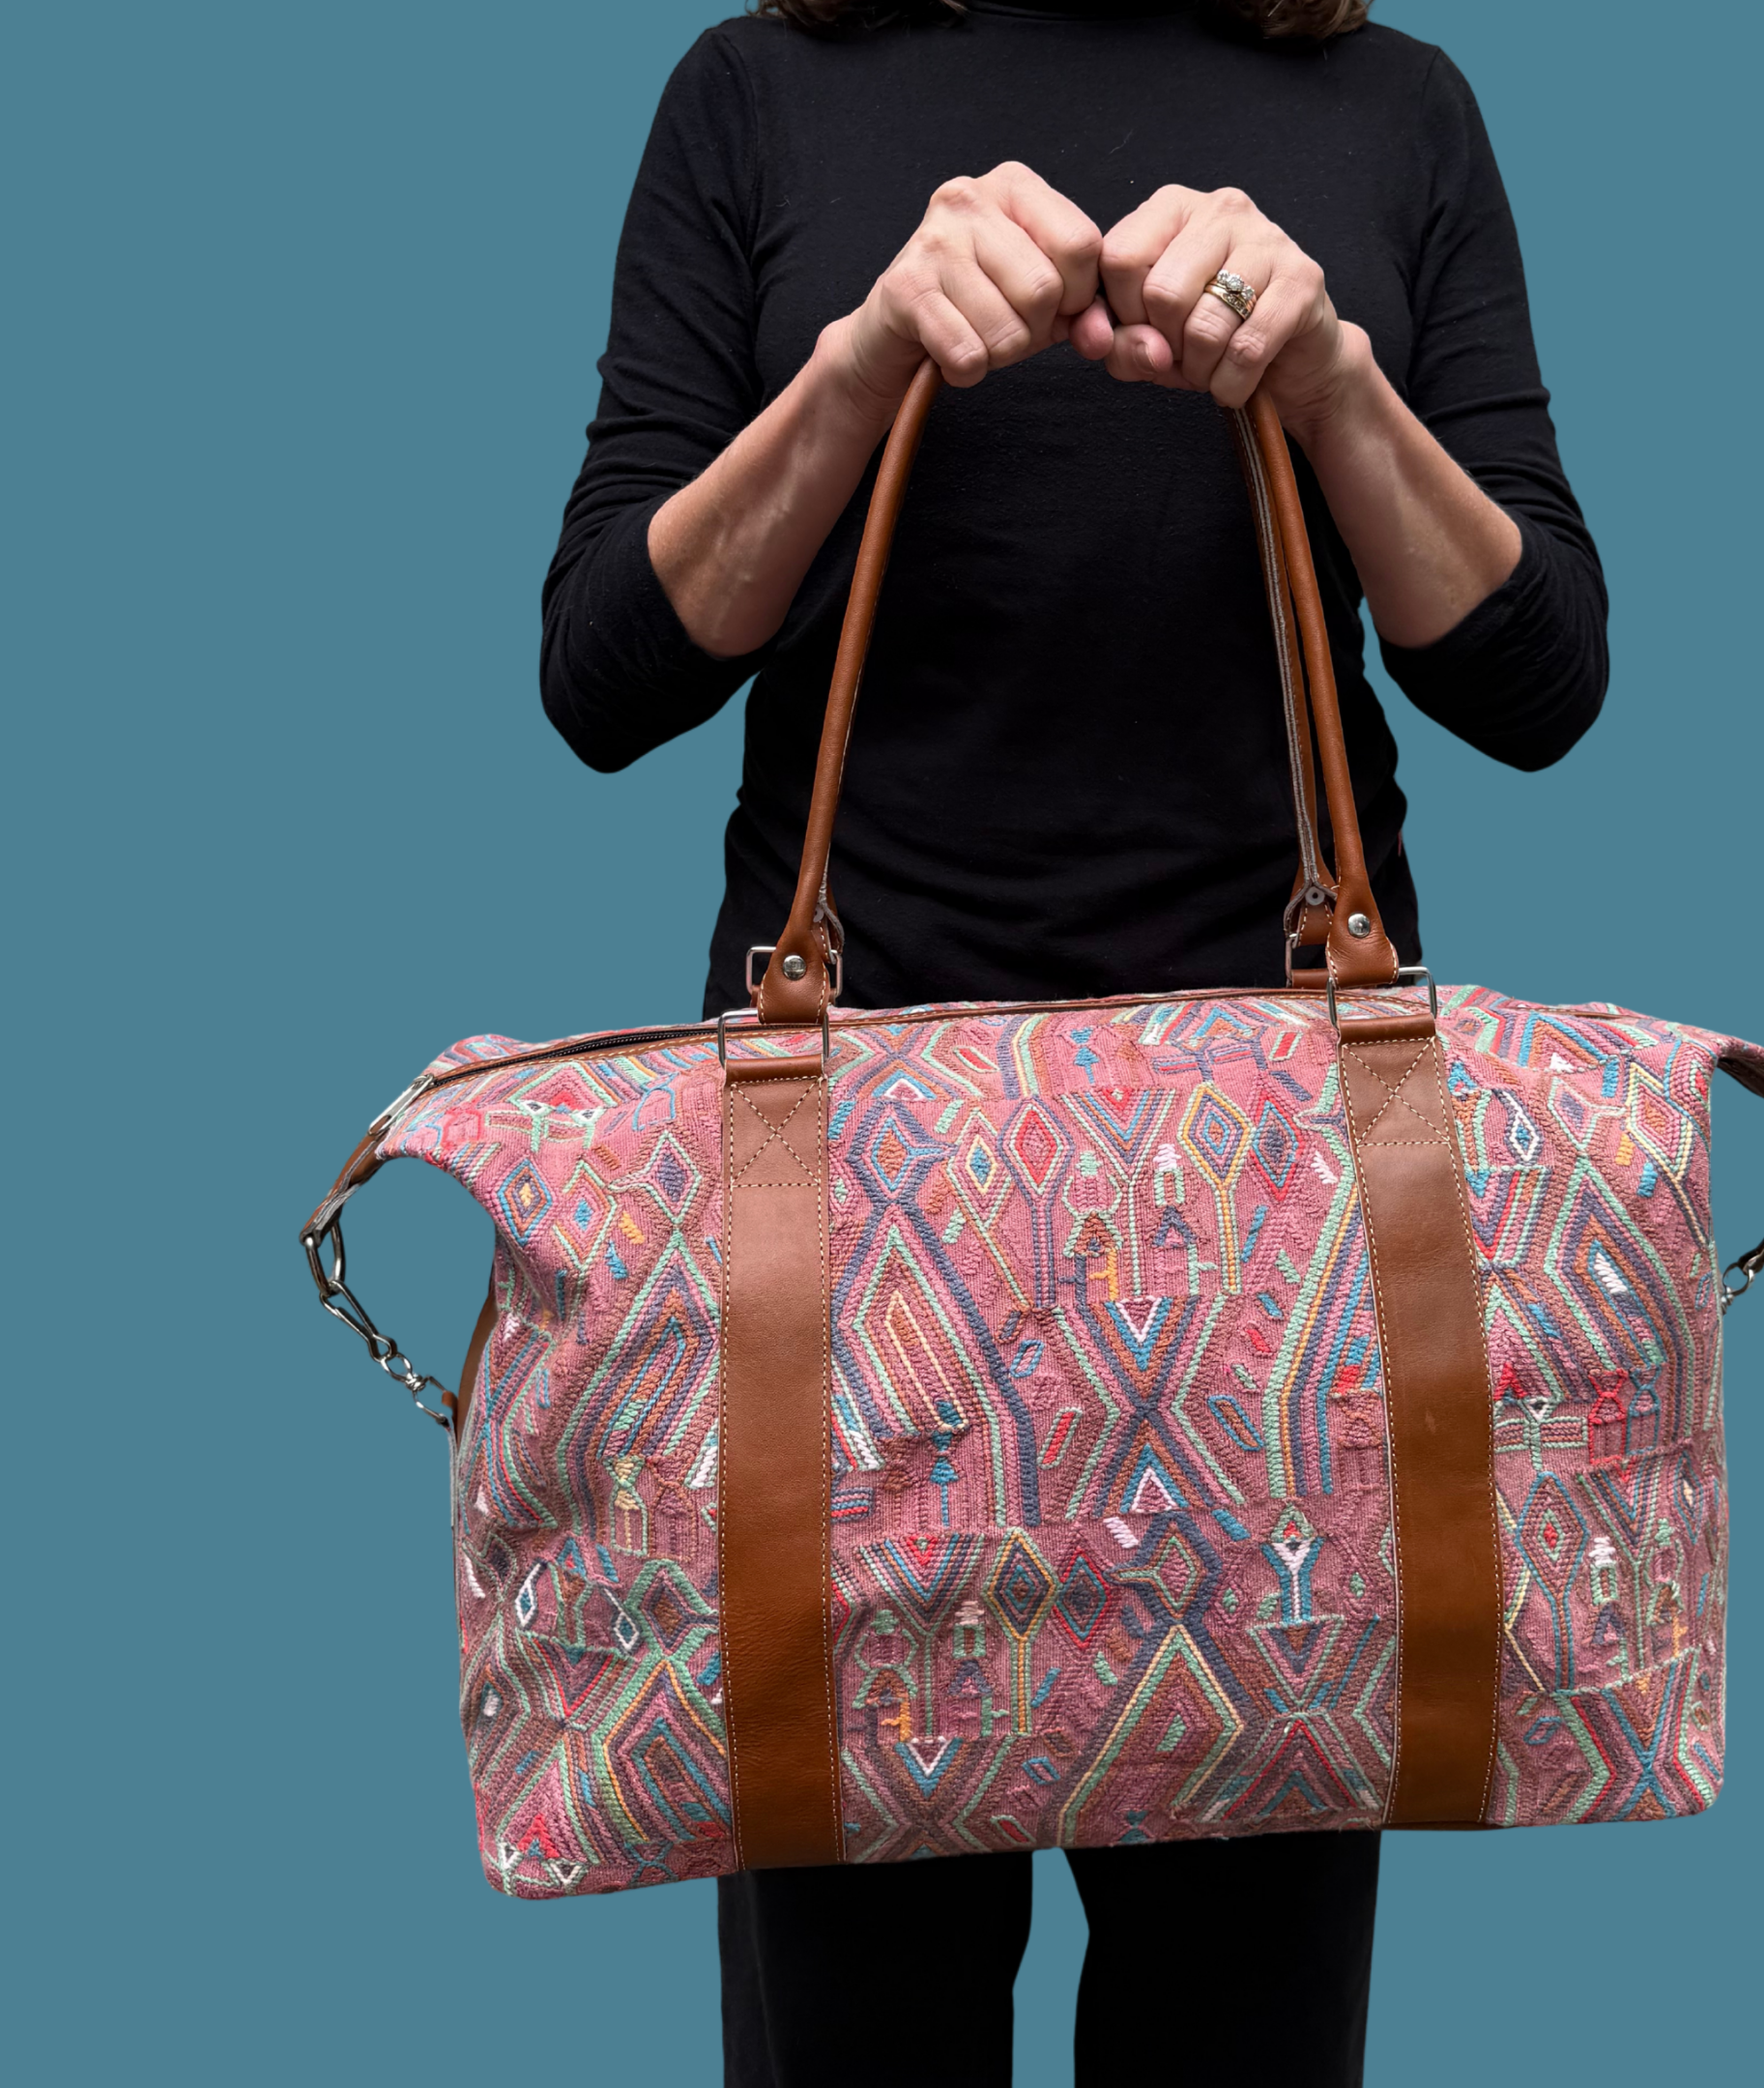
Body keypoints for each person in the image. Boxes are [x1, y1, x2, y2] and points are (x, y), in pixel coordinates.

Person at [541, 2, 1605, 2081]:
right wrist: (864, 357)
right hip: (847, 1243)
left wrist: (1331, 375)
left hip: (1283, 1259)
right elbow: (603, 672)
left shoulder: (1398, 106)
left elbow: (1539, 678)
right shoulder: (754, 91)